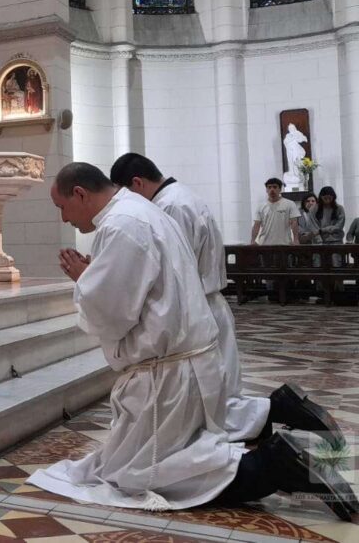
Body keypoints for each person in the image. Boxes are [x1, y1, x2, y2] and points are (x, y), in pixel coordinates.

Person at [28, 163, 356, 521]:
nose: (63, 219)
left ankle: (274, 465)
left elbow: (111, 314)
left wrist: (85, 280)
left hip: (166, 370)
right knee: (160, 456)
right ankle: (279, 435)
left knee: (141, 475)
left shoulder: (121, 225)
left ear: (80, 193)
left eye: (61, 207)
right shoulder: (141, 212)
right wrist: (98, 276)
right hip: (186, 356)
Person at [110, 153, 342, 444]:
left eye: (125, 195)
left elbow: (173, 269)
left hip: (195, 309)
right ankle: (274, 420)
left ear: (136, 183)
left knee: (212, 405)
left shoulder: (169, 206)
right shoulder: (181, 197)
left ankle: (278, 412)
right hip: (206, 304)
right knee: (218, 397)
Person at [250, 178, 300, 245]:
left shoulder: (290, 204)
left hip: (284, 244)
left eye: (275, 187)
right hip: (265, 244)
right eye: (269, 187)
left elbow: (294, 222)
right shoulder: (261, 206)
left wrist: (296, 240)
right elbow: (256, 225)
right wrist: (253, 240)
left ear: (280, 189)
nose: (272, 190)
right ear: (266, 190)